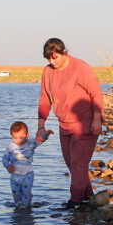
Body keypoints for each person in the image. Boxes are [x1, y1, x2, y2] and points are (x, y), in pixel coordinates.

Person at [37, 38, 105, 209]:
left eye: (55, 58)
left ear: (64, 52)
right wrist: (40, 126)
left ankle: (74, 202)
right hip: (64, 124)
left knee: (78, 164)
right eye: (49, 59)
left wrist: (97, 120)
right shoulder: (48, 72)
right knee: (73, 166)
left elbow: (97, 94)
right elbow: (45, 100)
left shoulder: (80, 67)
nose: (52, 62)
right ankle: (88, 198)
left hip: (85, 123)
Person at [2, 121, 52, 207]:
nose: (17, 140)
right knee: (16, 196)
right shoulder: (11, 147)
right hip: (15, 176)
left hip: (28, 174)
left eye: (20, 138)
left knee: (26, 193)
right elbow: (5, 158)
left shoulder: (31, 143)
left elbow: (40, 140)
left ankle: (26, 207)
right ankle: (18, 209)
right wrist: (8, 166)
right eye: (15, 138)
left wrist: (46, 134)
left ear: (27, 135)